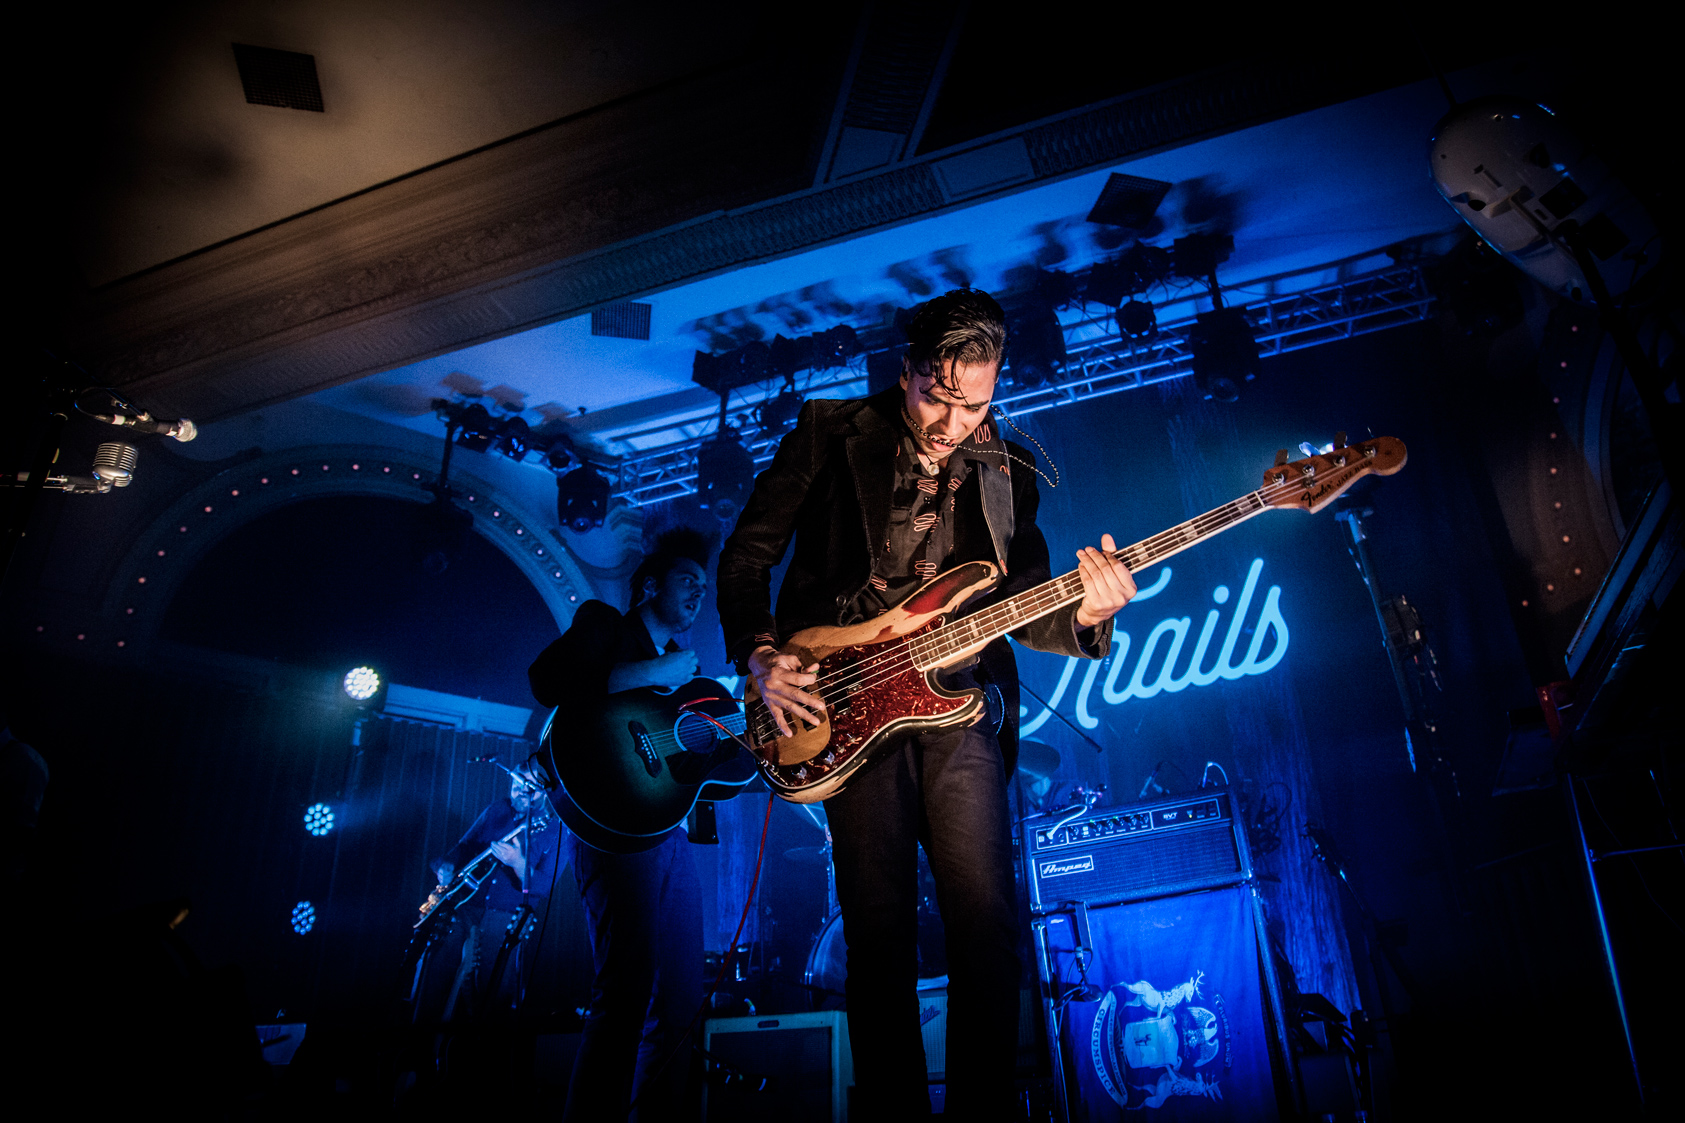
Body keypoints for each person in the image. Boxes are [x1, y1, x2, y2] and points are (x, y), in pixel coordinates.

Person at [716, 288, 1137, 1117]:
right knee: (878, 935)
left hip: (961, 710)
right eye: (936, 398)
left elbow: (1029, 604)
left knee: (985, 924)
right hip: (845, 700)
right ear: (906, 370)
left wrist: (1087, 613)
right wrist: (760, 657)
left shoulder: (1008, 469)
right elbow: (745, 559)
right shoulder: (829, 433)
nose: (951, 424)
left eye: (973, 403)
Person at [527, 527, 712, 1122]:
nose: (699, 593)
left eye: (704, 587)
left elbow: (691, 764)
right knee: (625, 994)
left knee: (682, 1000)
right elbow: (547, 684)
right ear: (651, 585)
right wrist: (650, 674)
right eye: (689, 580)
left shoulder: (683, 678)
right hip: (612, 835)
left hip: (670, 838)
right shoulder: (605, 625)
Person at [426, 763, 561, 1022]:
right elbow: (463, 846)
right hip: (464, 906)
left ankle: (478, 1052)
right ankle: (423, 1047)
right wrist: (447, 865)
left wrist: (518, 862)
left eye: (528, 787)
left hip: (505, 917)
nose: (520, 791)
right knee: (438, 975)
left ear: (544, 791)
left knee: (491, 991)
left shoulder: (556, 830)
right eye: (516, 783)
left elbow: (544, 886)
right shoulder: (497, 810)